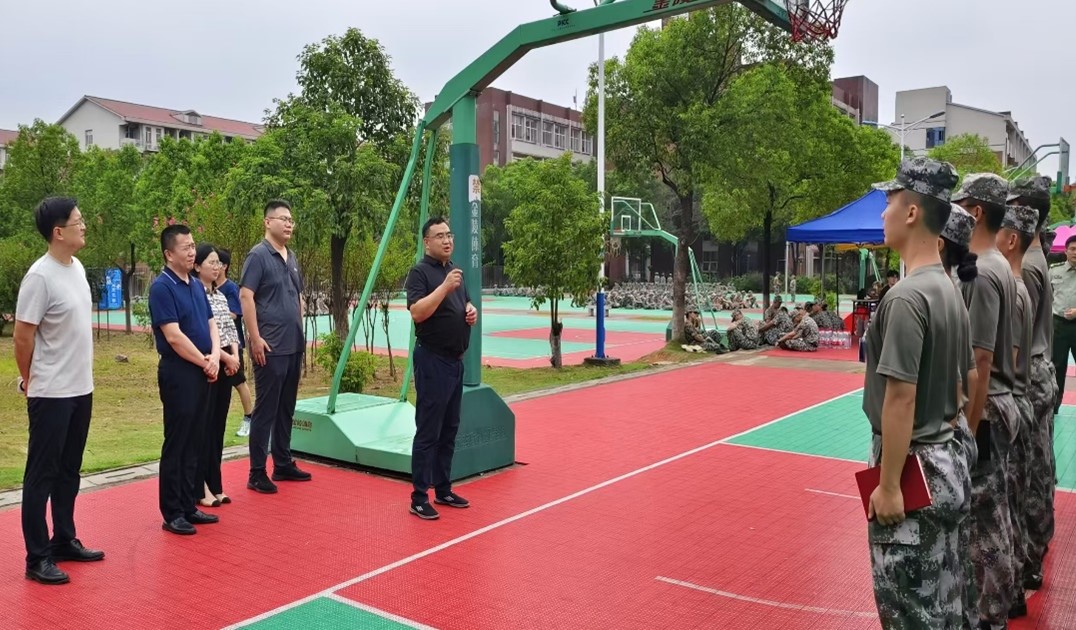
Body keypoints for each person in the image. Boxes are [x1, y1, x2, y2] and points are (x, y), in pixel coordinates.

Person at [865, 158, 968, 627]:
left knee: (909, 611)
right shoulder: (946, 288)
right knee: (942, 605)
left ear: (911, 212)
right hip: (944, 459)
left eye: (889, 202)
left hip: (913, 470)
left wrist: (889, 487)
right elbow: (961, 385)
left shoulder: (907, 297)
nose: (882, 212)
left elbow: (900, 397)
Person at [14, 197, 104, 585]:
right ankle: (37, 557)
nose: (84, 226)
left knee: (69, 470)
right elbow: (22, 336)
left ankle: (64, 539)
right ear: (58, 232)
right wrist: (30, 379)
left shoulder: (76, 267)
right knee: (42, 474)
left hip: (81, 388)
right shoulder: (40, 277)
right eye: (77, 221)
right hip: (50, 392)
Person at [953, 172, 1019, 627]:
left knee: (982, 527)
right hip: (1002, 398)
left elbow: (980, 356)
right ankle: (1001, 605)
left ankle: (989, 616)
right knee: (996, 513)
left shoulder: (981, 270)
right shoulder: (1001, 266)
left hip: (987, 404)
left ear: (976, 212)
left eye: (961, 206)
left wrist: (968, 432)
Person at [148, 224, 222, 535]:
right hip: (179, 372)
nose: (192, 252)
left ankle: (190, 503)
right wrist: (205, 361)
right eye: (186, 248)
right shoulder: (162, 288)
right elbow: (174, 337)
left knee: (196, 439)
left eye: (193, 246)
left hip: (203, 369)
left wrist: (215, 356)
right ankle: (173, 511)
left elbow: (211, 323)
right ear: (169, 254)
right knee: (178, 441)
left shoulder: (195, 285)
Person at [405, 216, 477, 520]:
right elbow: (417, 312)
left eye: (449, 235)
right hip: (432, 360)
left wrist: (470, 311)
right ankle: (419, 496)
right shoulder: (420, 273)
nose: (447, 240)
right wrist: (445, 288)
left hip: (455, 361)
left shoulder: (454, 271)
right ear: (427, 242)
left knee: (449, 428)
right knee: (429, 430)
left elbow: (465, 303)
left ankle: (443, 488)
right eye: (440, 236)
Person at [241, 200, 311, 494]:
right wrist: (254, 337)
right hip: (270, 346)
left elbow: (298, 296)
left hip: (293, 344)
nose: (289, 224)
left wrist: (300, 330)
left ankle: (282, 463)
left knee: (286, 408)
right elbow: (246, 296)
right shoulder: (258, 256)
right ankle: (257, 472)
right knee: (266, 410)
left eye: (291, 219)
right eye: (283, 218)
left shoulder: (290, 256)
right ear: (267, 222)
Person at [1010, 176, 1057, 590]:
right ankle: (1034, 552)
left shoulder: (1025, 266)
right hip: (1041, 369)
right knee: (1039, 463)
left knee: (1026, 471)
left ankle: (1027, 558)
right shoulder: (1039, 256)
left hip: (1027, 372)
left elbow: (1015, 339)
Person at [995, 204, 1039, 618]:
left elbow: (1003, 359)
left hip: (1009, 403)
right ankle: (1014, 590)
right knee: (1012, 503)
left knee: (1002, 508)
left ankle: (1005, 598)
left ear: (1011, 240)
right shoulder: (1018, 286)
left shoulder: (1012, 288)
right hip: (1019, 403)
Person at [939, 203, 981, 630]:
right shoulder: (953, 293)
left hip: (929, 449)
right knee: (953, 570)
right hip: (953, 437)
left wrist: (889, 483)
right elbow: (969, 374)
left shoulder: (924, 295)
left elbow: (900, 397)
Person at [193, 244, 242, 508]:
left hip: (227, 363)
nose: (217, 267)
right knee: (204, 427)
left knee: (218, 427)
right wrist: (225, 357)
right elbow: (203, 335)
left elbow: (231, 330)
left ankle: (215, 483)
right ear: (197, 266)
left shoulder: (221, 296)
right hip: (209, 364)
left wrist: (234, 356)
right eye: (211, 262)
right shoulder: (195, 295)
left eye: (218, 263)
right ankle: (200, 486)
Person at [217, 248, 254, 438]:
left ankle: (249, 417)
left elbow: (235, 313)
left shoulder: (230, 288)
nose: (213, 266)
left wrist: (215, 313)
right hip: (215, 345)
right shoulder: (206, 287)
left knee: (239, 382)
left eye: (216, 262)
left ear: (224, 266)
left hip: (232, 344)